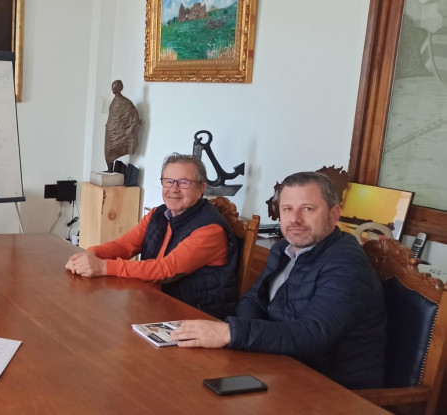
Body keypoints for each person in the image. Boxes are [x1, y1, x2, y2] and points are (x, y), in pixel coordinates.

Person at [170, 172, 386, 389]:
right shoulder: (285, 249)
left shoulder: (347, 264)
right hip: (278, 365)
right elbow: (252, 301)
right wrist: (247, 341)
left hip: (329, 389)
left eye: (308, 209)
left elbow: (313, 334)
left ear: (334, 214)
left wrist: (232, 333)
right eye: (287, 209)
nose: (295, 220)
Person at [65, 153, 238, 319]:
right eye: (168, 181)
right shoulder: (159, 214)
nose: (173, 189)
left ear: (201, 188)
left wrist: (103, 267)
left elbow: (166, 270)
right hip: (156, 302)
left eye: (183, 182)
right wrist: (91, 254)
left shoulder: (210, 229)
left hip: (196, 317)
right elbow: (125, 245)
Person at [104, 80, 141, 171]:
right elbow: (112, 115)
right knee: (107, 151)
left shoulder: (126, 102)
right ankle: (109, 169)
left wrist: (131, 127)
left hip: (117, 132)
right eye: (112, 87)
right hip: (110, 130)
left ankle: (110, 170)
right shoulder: (113, 101)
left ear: (120, 88)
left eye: (115, 87)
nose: (113, 89)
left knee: (110, 151)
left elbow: (134, 113)